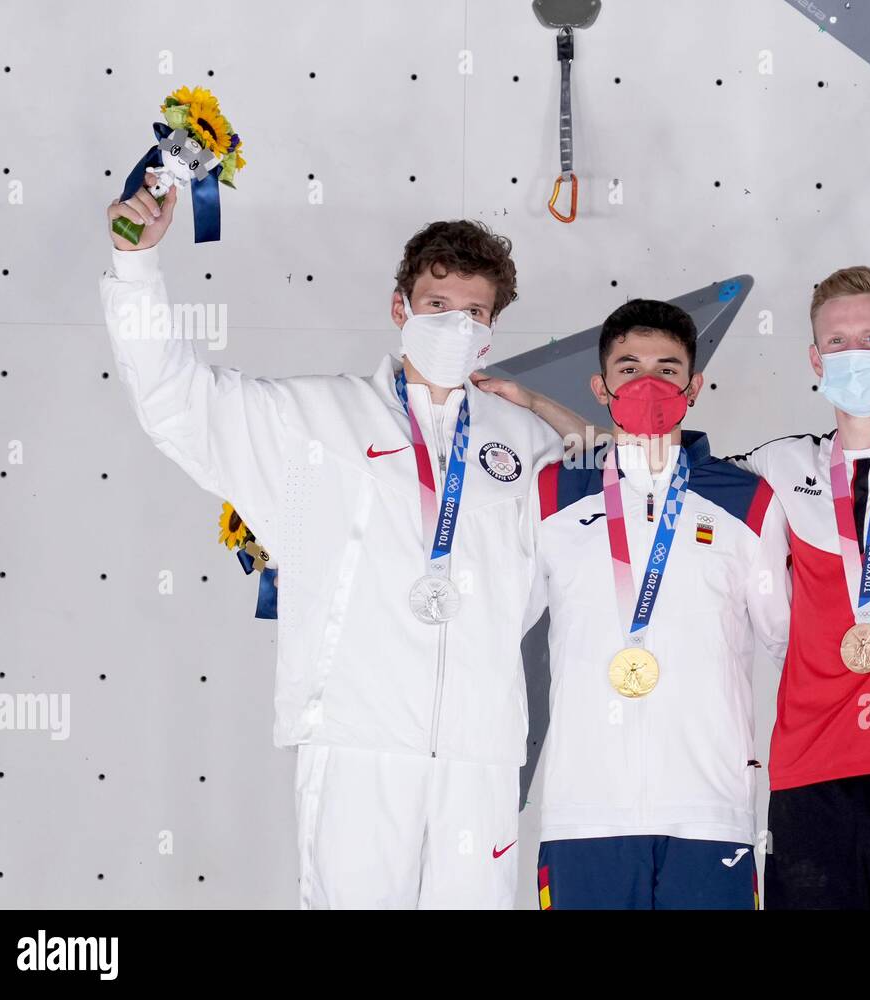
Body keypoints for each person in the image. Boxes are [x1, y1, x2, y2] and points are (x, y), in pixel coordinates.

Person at [480, 135, 870, 908]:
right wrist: (544, 412)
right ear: (816, 360)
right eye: (838, 342)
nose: (855, 353)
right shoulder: (773, 476)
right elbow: (645, 461)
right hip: (807, 788)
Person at [101, 173, 564, 908]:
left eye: (475, 312)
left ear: (492, 328)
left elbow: (603, 526)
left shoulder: (526, 443)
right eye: (438, 306)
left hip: (480, 752)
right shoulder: (314, 422)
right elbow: (177, 404)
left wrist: (543, 407)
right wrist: (137, 270)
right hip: (358, 737)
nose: (456, 326)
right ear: (400, 307)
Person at [482, 301, 870, 909]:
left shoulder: (747, 500)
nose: (649, 384)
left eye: (668, 370)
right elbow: (492, 614)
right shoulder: (550, 491)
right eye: (629, 368)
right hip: (582, 811)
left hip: (713, 814)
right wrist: (539, 408)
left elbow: (802, 639)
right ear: (601, 386)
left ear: (694, 387)